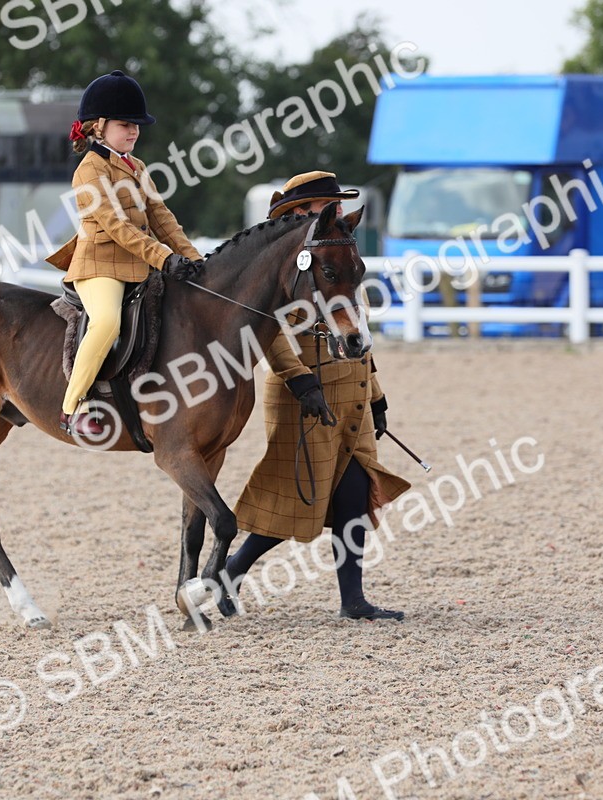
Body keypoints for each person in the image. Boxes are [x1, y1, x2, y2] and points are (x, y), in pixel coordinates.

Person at [227, 172, 412, 621]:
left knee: (352, 494)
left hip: (350, 392)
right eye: (320, 209)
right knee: (297, 496)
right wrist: (299, 380)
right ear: (295, 214)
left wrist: (376, 395)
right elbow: (268, 338)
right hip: (304, 393)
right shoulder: (277, 269)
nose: (329, 216)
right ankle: (228, 572)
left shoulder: (338, 258)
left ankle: (353, 600)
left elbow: (359, 331)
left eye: (331, 208)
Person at [46, 70, 203, 436]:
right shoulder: (89, 171)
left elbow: (162, 218)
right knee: (107, 323)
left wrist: (195, 260)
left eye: (136, 125)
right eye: (124, 124)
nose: (133, 131)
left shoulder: (137, 166)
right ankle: (72, 406)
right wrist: (164, 258)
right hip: (100, 266)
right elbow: (118, 228)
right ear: (98, 127)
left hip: (138, 264)